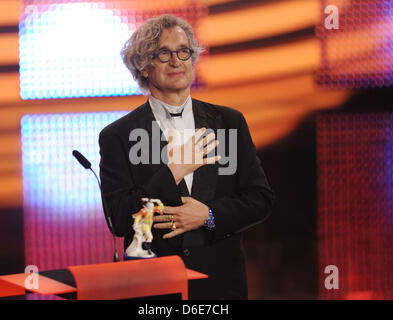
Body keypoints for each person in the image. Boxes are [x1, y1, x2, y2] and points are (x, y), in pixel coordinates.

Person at [99, 14, 275, 299]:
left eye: (184, 51)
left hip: (220, 286)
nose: (176, 61)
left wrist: (210, 215)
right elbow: (120, 219)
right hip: (154, 288)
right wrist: (173, 172)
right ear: (144, 66)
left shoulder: (229, 122)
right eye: (163, 53)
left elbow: (260, 200)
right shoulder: (117, 135)